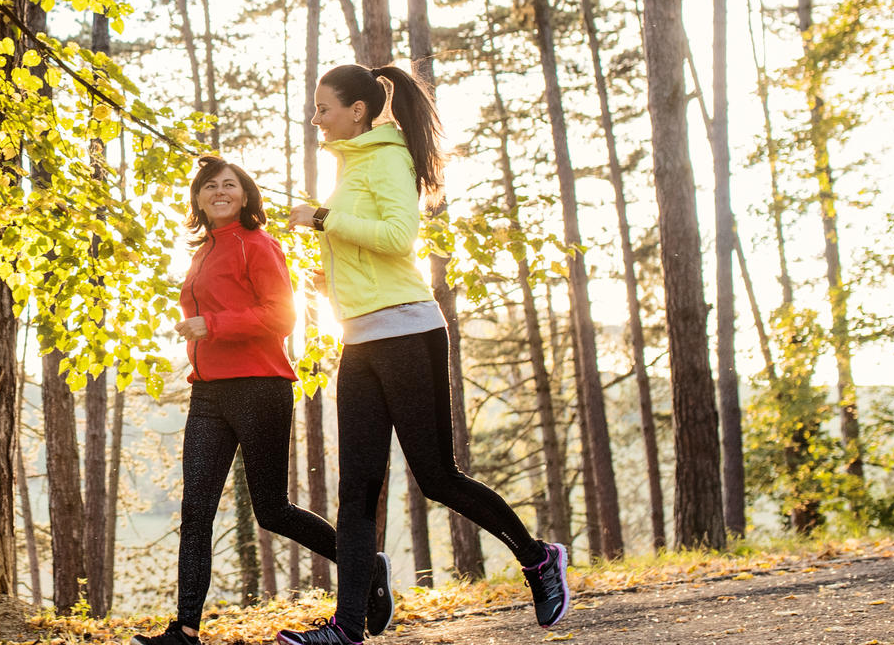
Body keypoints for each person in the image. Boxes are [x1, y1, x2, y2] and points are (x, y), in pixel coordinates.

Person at [273, 65, 571, 645]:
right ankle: (347, 627)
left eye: (324, 107)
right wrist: (327, 271)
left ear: (358, 110)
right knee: (357, 487)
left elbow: (398, 238)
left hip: (407, 331)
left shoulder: (387, 158)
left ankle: (538, 558)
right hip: (359, 337)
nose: (317, 118)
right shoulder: (353, 164)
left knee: (435, 475)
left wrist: (324, 219)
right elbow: (368, 251)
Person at [132, 156, 391, 645]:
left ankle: (365, 563)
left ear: (246, 196)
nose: (219, 191)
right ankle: (185, 630)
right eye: (210, 186)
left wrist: (213, 325)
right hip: (208, 392)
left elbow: (281, 317)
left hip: (259, 386)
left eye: (230, 184)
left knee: (271, 510)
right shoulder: (202, 251)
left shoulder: (260, 245)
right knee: (196, 509)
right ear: (198, 199)